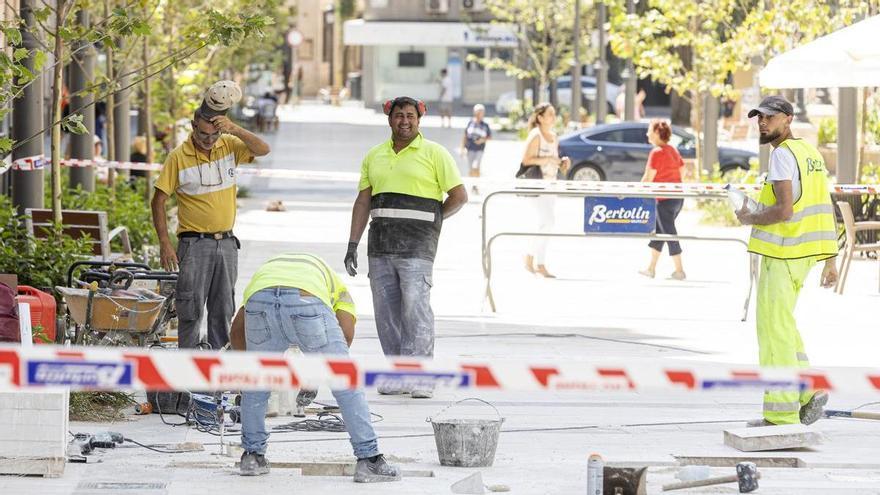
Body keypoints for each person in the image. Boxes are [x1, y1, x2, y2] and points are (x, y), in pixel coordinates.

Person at [230, 253, 401, 483]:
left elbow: (237, 330)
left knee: (257, 384)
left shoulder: (268, 275)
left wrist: (248, 373)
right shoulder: (337, 289)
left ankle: (252, 457)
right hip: (306, 299)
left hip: (260, 302)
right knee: (345, 380)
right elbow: (346, 335)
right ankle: (369, 460)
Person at [344, 96, 467, 399]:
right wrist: (352, 244)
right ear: (389, 119)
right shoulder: (374, 155)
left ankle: (421, 376)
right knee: (387, 314)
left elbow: (459, 195)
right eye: (399, 116)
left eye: (410, 116)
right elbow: (363, 201)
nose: (404, 121)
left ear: (419, 119)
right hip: (381, 247)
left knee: (415, 310)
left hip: (418, 248)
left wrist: (434, 220)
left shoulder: (435, 153)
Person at [736, 95, 838, 427]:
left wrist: (749, 217)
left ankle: (780, 415)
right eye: (759, 118)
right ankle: (809, 389)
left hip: (782, 254)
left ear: (788, 119)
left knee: (773, 332)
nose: (762, 123)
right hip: (802, 255)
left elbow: (784, 210)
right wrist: (829, 259)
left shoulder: (782, 155)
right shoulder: (810, 153)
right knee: (784, 326)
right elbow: (820, 205)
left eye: (769, 117)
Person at [151, 81, 270, 350]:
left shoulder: (228, 145)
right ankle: (188, 371)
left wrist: (234, 129)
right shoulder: (178, 157)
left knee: (223, 311)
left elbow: (263, 149)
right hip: (194, 246)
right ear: (193, 127)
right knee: (190, 311)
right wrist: (165, 243)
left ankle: (217, 375)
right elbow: (158, 201)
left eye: (214, 134)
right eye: (204, 134)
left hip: (226, 244)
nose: (209, 139)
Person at [520, 103, 569, 278]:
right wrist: (548, 158)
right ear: (540, 118)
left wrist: (562, 162)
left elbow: (553, 160)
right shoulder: (535, 135)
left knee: (547, 224)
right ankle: (529, 257)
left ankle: (540, 263)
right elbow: (526, 160)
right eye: (550, 114)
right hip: (536, 183)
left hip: (551, 183)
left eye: (554, 114)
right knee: (547, 221)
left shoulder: (554, 136)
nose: (553, 117)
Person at [638, 119, 686, 280]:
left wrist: (636, 190)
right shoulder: (672, 150)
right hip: (677, 198)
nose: (647, 134)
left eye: (649, 130)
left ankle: (679, 271)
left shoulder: (656, 152)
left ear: (657, 133)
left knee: (669, 234)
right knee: (660, 232)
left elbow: (648, 177)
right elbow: (682, 169)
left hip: (664, 199)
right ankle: (651, 268)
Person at [461, 103, 491, 194]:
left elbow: (489, 137)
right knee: (470, 168)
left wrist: (482, 140)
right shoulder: (470, 123)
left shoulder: (485, 125)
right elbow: (465, 135)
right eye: (478, 112)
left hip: (479, 149)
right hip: (470, 148)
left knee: (476, 166)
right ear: (475, 113)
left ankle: (476, 185)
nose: (479, 114)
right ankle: (472, 185)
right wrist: (462, 148)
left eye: (481, 112)